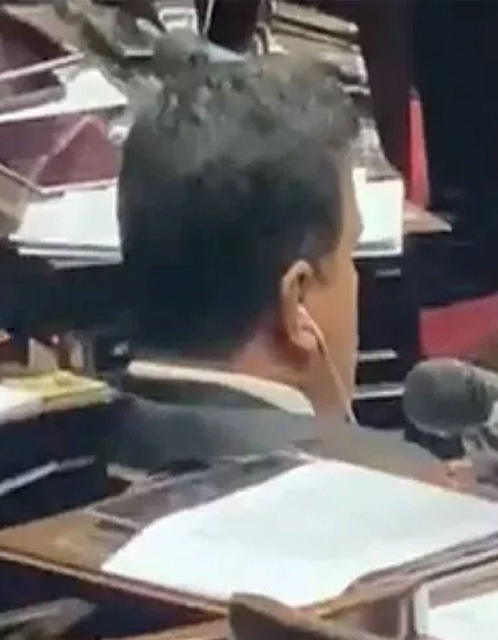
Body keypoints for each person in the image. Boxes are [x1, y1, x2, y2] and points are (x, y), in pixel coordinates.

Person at [112, 57, 438, 474]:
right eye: (350, 255)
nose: (357, 281)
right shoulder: (394, 486)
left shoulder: (51, 454)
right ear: (296, 302)